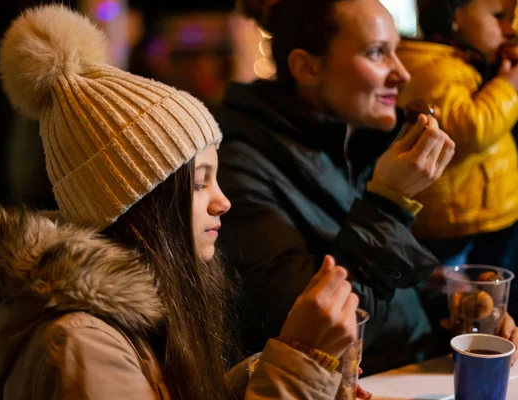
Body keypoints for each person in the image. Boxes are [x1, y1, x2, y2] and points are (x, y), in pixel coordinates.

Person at [0, 5, 361, 400]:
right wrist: (300, 358)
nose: (223, 202)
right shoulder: (80, 343)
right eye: (201, 183)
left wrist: (289, 371)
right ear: (137, 200)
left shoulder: (141, 309)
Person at [214, 0, 460, 374]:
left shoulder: (352, 138)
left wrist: (453, 304)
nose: (402, 73)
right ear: (307, 68)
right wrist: (389, 203)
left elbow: (374, 271)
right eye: (377, 52)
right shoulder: (239, 164)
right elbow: (322, 327)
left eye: (397, 49)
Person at [396, 0, 518, 315]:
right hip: (459, 223)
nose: (508, 29)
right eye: (497, 17)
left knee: (491, 298)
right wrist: (508, 87)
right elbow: (470, 128)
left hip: (484, 212)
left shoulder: (458, 62)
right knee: (472, 302)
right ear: (454, 18)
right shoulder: (436, 68)